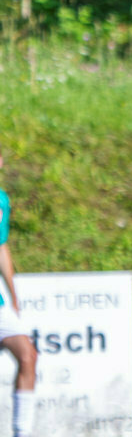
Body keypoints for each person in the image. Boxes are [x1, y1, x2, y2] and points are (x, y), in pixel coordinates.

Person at [0, 152, 37, 437]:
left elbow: (1, 247)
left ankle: (21, 433)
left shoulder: (2, 200)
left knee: (28, 355)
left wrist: (13, 294)